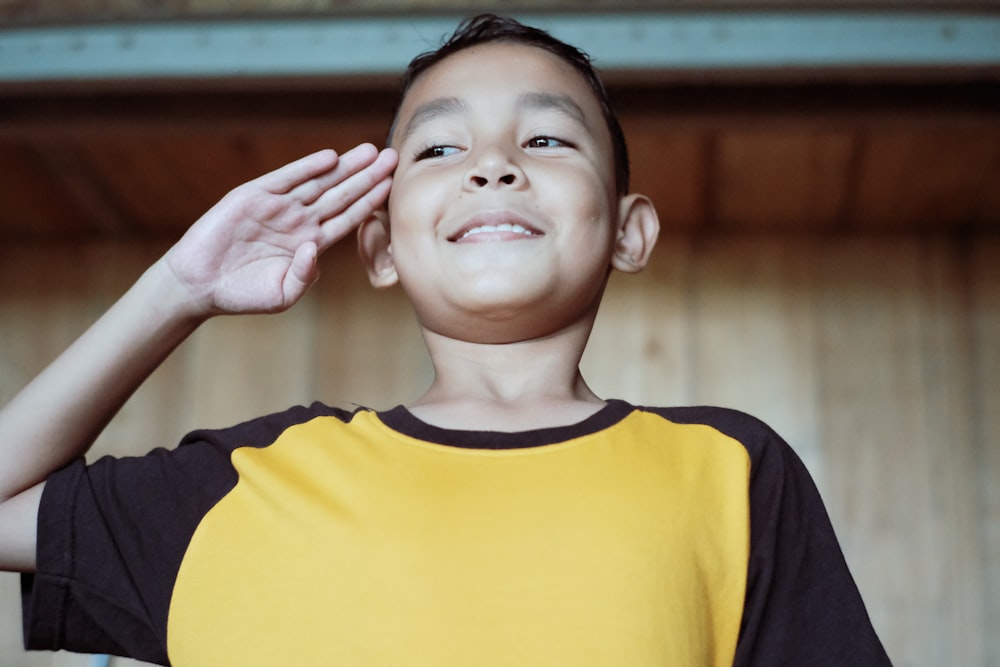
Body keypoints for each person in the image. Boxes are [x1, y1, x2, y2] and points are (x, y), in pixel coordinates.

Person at [0, 14, 890, 667]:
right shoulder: (245, 483)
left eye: (546, 137)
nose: (492, 163)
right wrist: (176, 292)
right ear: (381, 247)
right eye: (437, 150)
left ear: (630, 231)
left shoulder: (731, 471)